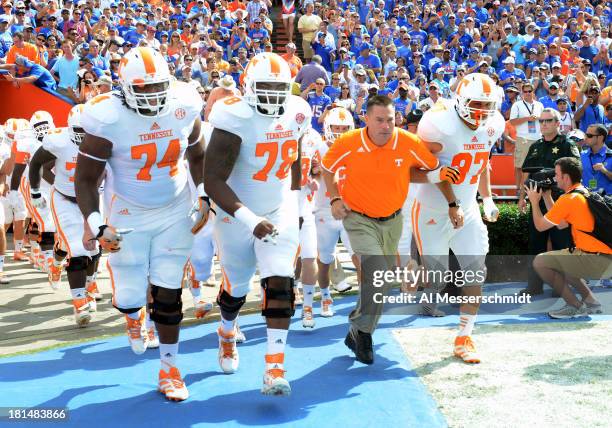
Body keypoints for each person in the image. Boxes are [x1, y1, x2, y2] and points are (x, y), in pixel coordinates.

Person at [75, 47, 206, 402]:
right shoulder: (107, 117)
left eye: (157, 87)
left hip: (174, 207)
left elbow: (197, 155)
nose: (152, 96)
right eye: (143, 89)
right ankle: (132, 315)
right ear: (124, 87)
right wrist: (97, 225)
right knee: (131, 295)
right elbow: (86, 180)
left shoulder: (184, 104)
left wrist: (204, 196)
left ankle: (170, 369)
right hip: (127, 211)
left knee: (168, 293)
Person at [321, 95, 456, 365]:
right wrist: (335, 198)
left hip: (393, 221)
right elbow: (327, 169)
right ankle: (365, 335)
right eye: (380, 120)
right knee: (377, 275)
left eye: (391, 119)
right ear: (366, 118)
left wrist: (451, 199)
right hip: (358, 219)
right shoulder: (347, 142)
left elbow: (429, 171)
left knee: (382, 282)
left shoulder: (408, 142)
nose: (386, 125)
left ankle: (356, 327)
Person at [204, 52, 305, 396]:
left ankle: (274, 367)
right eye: (265, 87)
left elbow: (294, 158)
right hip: (236, 215)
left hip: (278, 209)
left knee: (280, 282)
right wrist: (249, 218)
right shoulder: (233, 115)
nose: (274, 95)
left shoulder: (298, 111)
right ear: (248, 86)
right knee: (236, 288)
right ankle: (227, 331)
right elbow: (212, 180)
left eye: (280, 88)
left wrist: (297, 201)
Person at [412, 73, 504, 364]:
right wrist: (450, 200)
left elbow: (482, 162)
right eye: (476, 104)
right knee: (435, 277)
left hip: (467, 208)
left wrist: (486, 198)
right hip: (432, 209)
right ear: (461, 100)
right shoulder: (438, 123)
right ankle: (412, 274)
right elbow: (414, 169)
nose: (482, 112)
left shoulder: (493, 124)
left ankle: (464, 337)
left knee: (477, 271)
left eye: (487, 106)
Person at [28, 106, 101, 327]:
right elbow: (36, 163)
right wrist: (35, 190)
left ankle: (87, 285)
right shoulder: (59, 141)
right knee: (78, 250)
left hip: (92, 198)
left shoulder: (103, 139)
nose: (83, 135)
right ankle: (79, 302)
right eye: (79, 130)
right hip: (65, 200)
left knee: (95, 248)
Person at [525, 157, 611, 318]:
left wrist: (534, 202)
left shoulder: (568, 199)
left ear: (565, 177)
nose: (554, 178)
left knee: (540, 261)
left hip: (595, 260)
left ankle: (574, 305)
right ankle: (592, 304)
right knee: (564, 261)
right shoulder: (582, 192)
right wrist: (546, 196)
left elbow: (540, 226)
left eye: (557, 174)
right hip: (604, 258)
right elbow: (562, 224)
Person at [519, 108, 581, 296]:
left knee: (561, 243)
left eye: (548, 121)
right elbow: (527, 172)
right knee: (536, 242)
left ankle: (560, 286)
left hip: (559, 200)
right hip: (536, 199)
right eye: (541, 121)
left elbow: (576, 171)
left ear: (557, 123)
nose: (544, 124)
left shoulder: (567, 144)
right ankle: (534, 286)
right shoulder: (535, 145)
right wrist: (522, 197)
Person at [509, 82, 544, 191]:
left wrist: (537, 118)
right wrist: (527, 118)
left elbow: (544, 120)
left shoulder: (539, 105)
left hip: (538, 138)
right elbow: (512, 122)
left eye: (530, 91)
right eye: (525, 91)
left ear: (533, 92)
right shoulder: (517, 105)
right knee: (520, 166)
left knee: (538, 166)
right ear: (522, 93)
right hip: (523, 138)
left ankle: (536, 189)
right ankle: (518, 190)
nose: (528, 93)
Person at [581, 124, 612, 195]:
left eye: (589, 136)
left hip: (606, 201)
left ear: (600, 138)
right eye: (585, 135)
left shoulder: (610, 155)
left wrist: (605, 171)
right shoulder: (582, 155)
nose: (585, 138)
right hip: (586, 198)